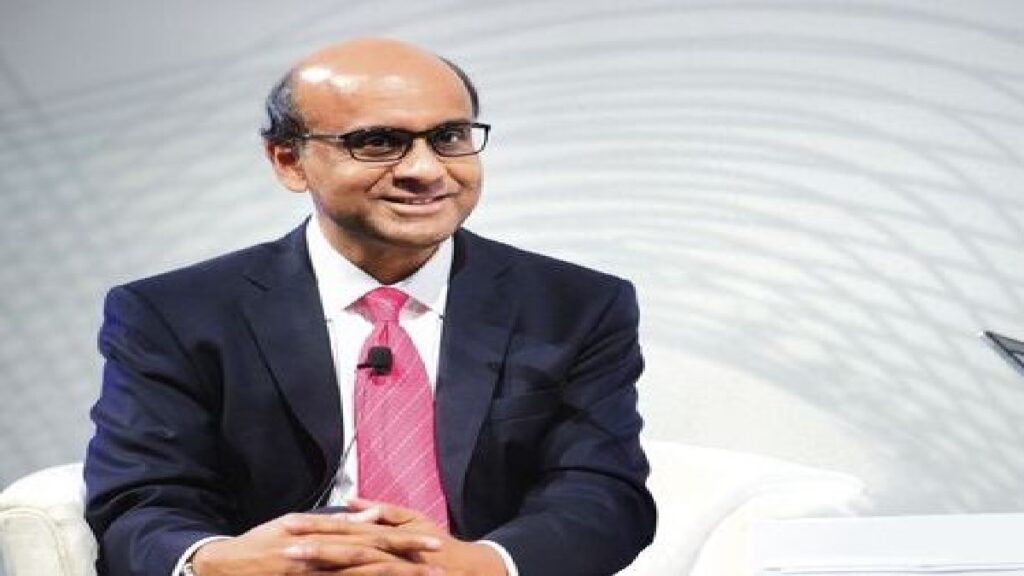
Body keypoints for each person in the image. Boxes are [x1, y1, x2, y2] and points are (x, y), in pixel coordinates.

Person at [84, 37, 656, 576]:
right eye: (378, 142)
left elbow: (602, 493)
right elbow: (141, 498)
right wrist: (215, 561)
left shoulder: (576, 306)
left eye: (449, 137)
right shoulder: (173, 314)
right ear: (288, 160)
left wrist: (479, 564)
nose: (425, 170)